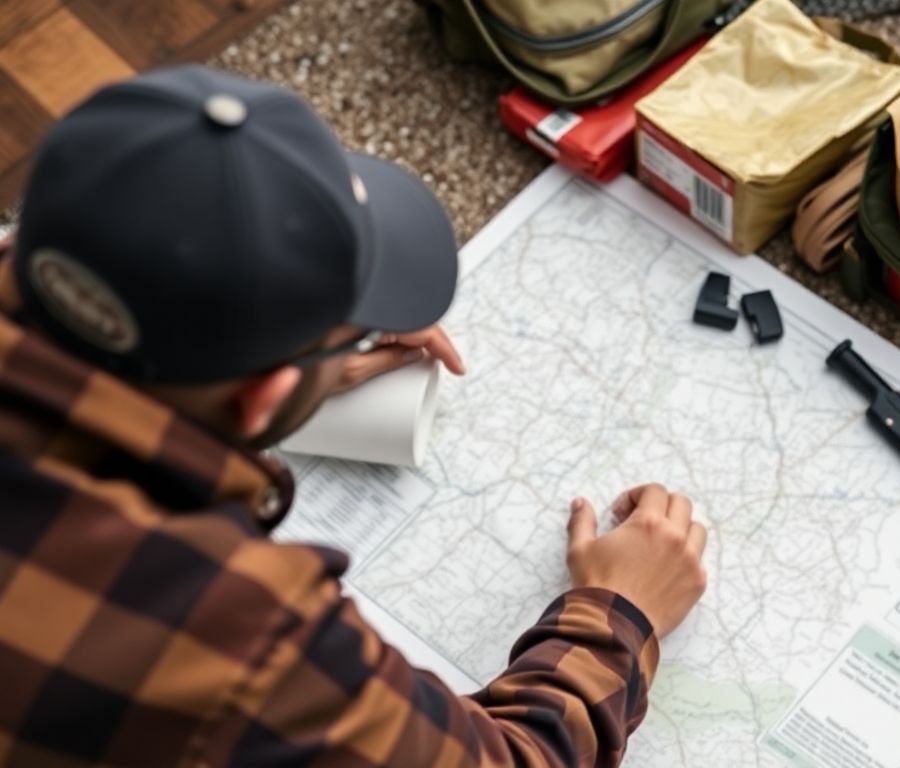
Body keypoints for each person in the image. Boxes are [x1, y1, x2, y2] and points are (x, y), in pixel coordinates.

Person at [0, 66, 708, 766]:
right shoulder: (235, 638)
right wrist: (620, 609)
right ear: (263, 398)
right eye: (355, 330)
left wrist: (250, 392)